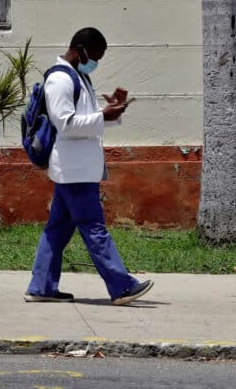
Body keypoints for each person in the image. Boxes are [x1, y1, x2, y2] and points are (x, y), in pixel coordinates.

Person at [24, 27, 154, 306]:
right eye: (95, 56)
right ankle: (121, 286)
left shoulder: (79, 77)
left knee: (57, 229)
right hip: (74, 171)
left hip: (78, 168)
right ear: (81, 49)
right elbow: (65, 124)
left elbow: (86, 120)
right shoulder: (60, 79)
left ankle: (41, 286)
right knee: (94, 228)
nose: (96, 62)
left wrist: (112, 111)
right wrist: (102, 116)